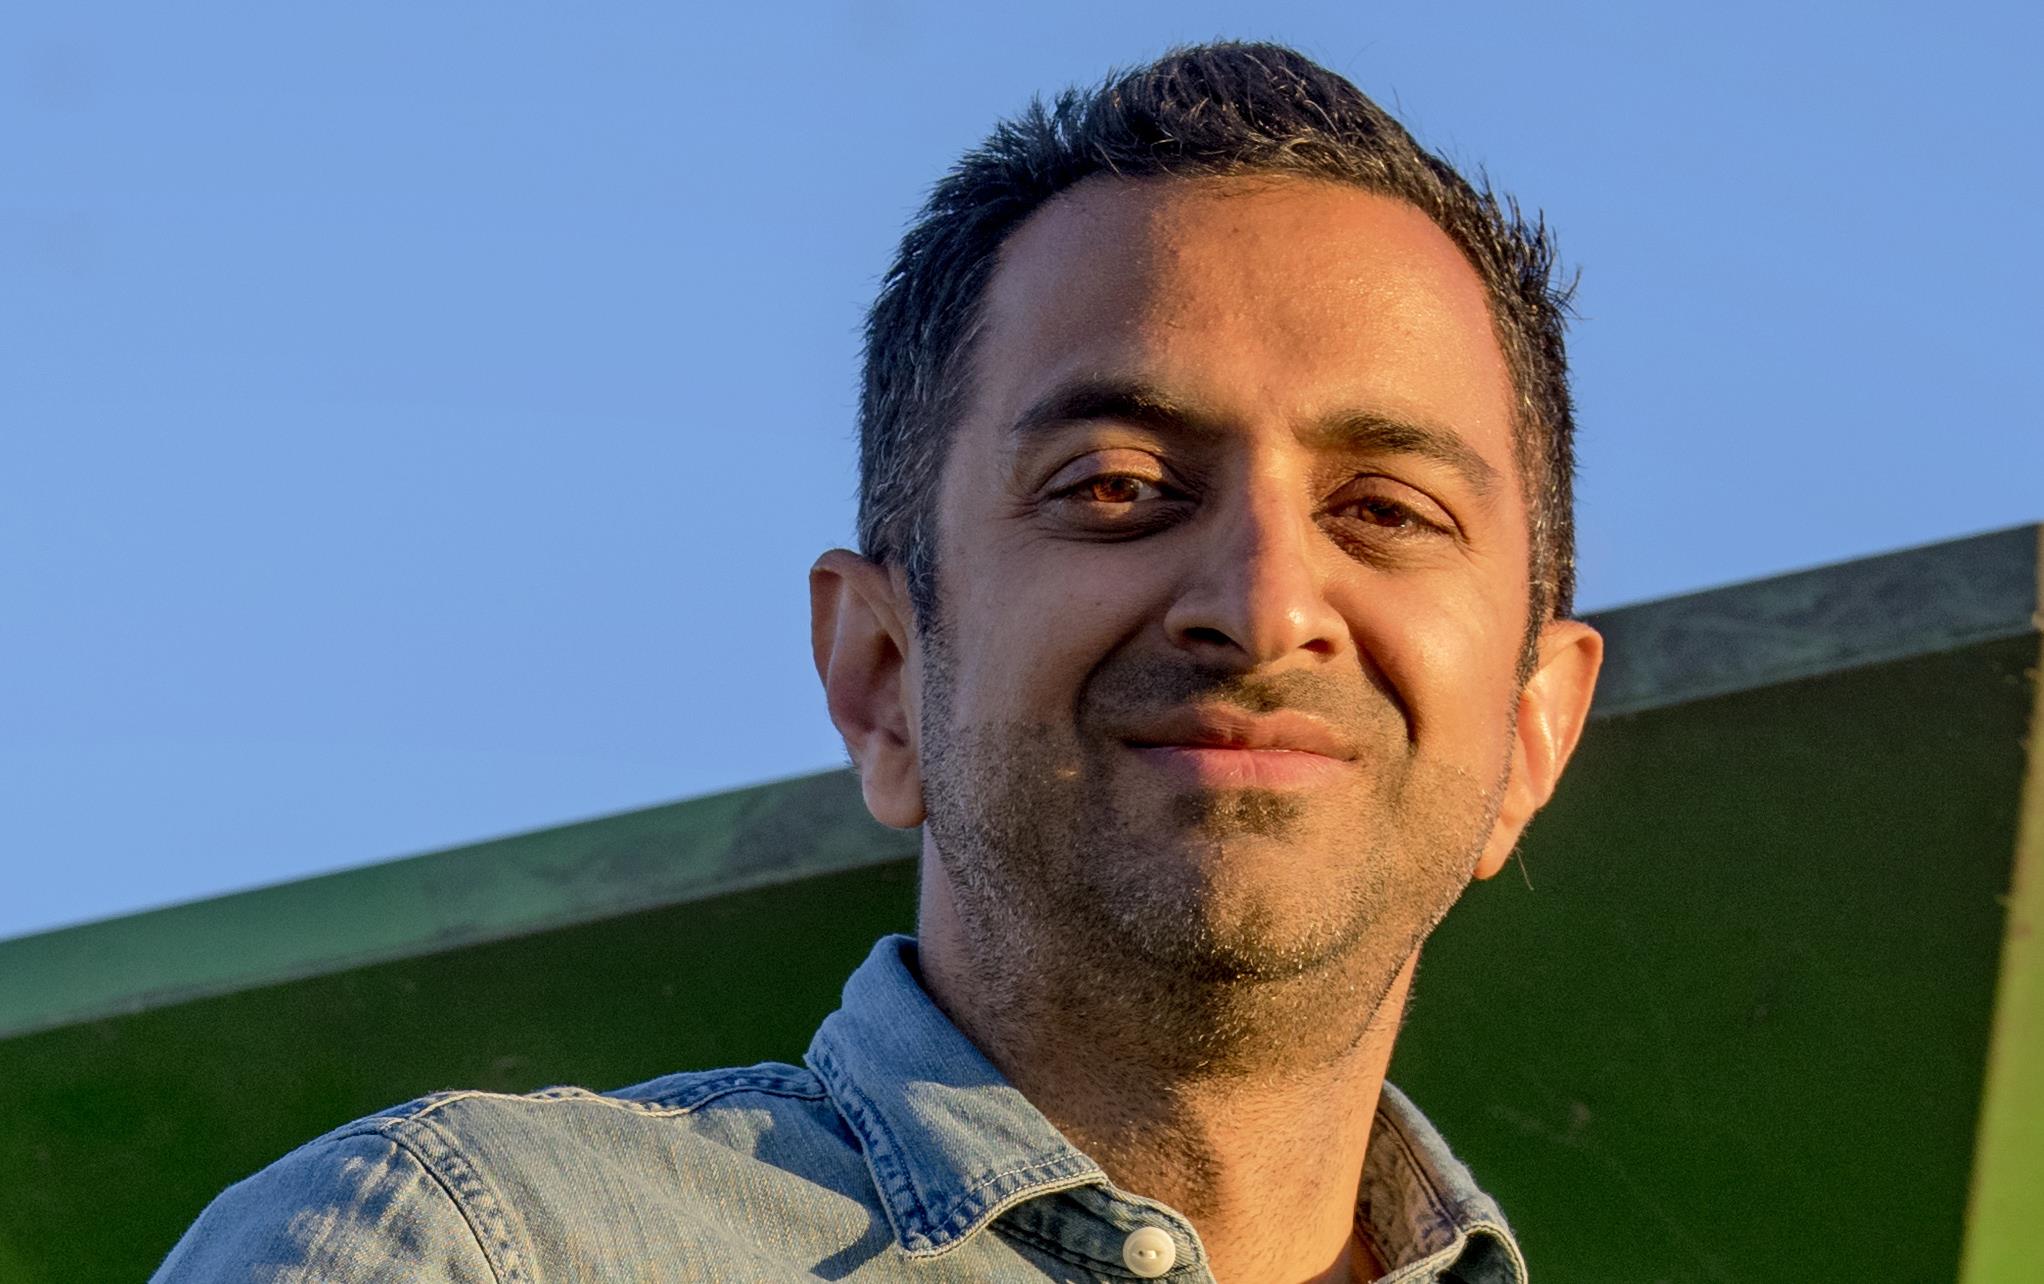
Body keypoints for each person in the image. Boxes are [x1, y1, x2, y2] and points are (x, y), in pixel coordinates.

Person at [156, 41, 1602, 1284]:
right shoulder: (474, 1248)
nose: (1266, 601)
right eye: (1116, 485)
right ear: (881, 674)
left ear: (1535, 728)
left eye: (1386, 511)